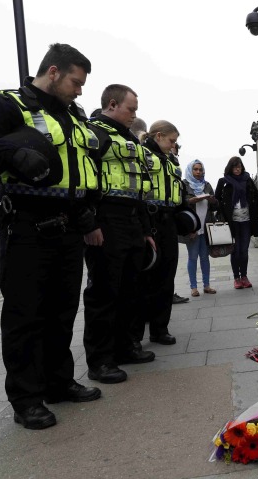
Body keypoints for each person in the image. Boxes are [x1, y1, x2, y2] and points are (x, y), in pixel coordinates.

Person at [0, 43, 101, 430]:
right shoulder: (10, 105)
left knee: (62, 312)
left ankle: (58, 381)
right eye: (75, 82)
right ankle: (26, 398)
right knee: (25, 316)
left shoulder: (71, 116)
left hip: (69, 227)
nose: (79, 91)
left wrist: (86, 211)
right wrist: (12, 155)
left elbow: (79, 169)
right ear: (53, 72)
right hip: (27, 227)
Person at [82, 84, 156, 385]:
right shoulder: (93, 134)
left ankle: (126, 348)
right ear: (112, 105)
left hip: (131, 221)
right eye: (131, 109)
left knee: (130, 289)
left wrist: (146, 230)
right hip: (106, 220)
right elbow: (84, 180)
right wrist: (90, 223)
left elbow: (136, 188)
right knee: (104, 293)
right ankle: (100, 361)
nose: (134, 115)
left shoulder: (128, 139)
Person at [132, 120, 185, 345]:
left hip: (168, 221)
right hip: (150, 219)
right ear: (159, 136)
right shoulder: (141, 155)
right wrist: (144, 228)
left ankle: (160, 329)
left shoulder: (171, 161)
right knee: (146, 278)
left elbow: (178, 193)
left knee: (166, 276)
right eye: (172, 140)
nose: (174, 145)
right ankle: (137, 333)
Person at [215, 156, 258, 289]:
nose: (237, 169)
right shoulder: (223, 182)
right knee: (235, 250)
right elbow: (217, 200)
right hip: (232, 223)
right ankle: (236, 278)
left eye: (239, 166)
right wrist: (222, 211)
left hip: (246, 221)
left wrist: (253, 208)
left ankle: (244, 276)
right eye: (235, 166)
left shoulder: (248, 180)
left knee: (244, 250)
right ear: (230, 167)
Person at [181, 159, 217, 296]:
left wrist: (212, 200)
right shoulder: (184, 184)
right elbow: (180, 203)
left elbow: (215, 206)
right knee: (192, 257)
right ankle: (193, 287)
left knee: (204, 257)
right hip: (192, 227)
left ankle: (206, 285)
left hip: (206, 227)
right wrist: (191, 200)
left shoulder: (206, 185)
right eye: (195, 169)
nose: (198, 172)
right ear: (190, 171)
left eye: (200, 170)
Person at [169, 141, 189, 304]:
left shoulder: (173, 166)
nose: (174, 154)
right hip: (159, 221)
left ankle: (169, 292)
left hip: (170, 222)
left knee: (170, 264)